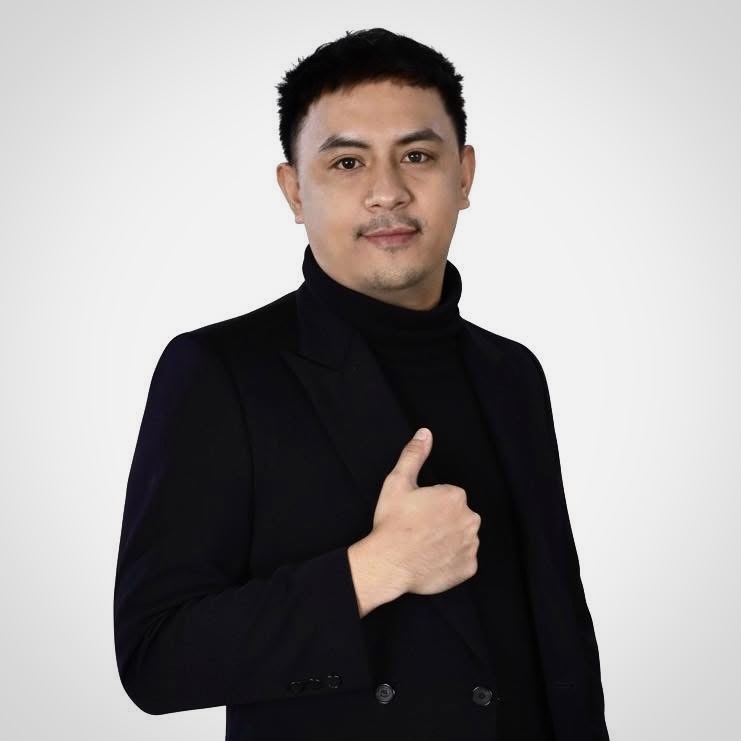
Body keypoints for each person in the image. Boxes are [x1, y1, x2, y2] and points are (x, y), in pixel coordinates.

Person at [113, 27, 610, 741]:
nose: (387, 192)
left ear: (464, 175)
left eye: (417, 156)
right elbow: (155, 658)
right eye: (347, 162)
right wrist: (372, 571)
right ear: (294, 190)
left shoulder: (513, 372)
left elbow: (561, 644)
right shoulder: (219, 370)